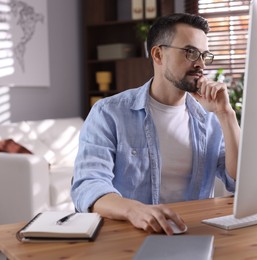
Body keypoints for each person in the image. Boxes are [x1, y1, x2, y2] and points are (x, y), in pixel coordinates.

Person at [71, 13, 240, 235]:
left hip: (194, 232)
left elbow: (238, 182)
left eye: (204, 55)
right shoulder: (109, 113)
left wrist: (226, 114)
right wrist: (135, 210)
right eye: (190, 52)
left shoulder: (210, 117)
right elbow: (88, 186)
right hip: (130, 234)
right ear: (158, 54)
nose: (200, 63)